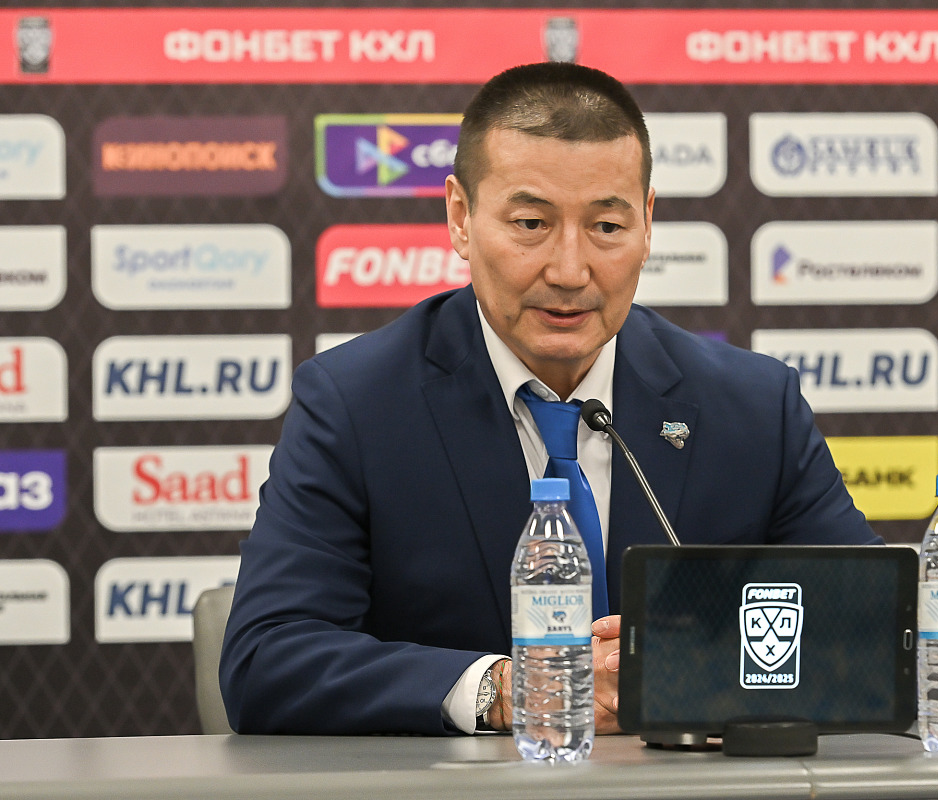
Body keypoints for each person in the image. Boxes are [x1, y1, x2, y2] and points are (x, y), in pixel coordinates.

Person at [219, 61, 879, 737]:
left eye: (607, 228)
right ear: (460, 218)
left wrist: (699, 666)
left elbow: (871, 634)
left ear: (648, 223)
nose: (569, 270)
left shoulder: (754, 407)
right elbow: (267, 659)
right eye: (531, 223)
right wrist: (508, 690)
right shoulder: (356, 405)